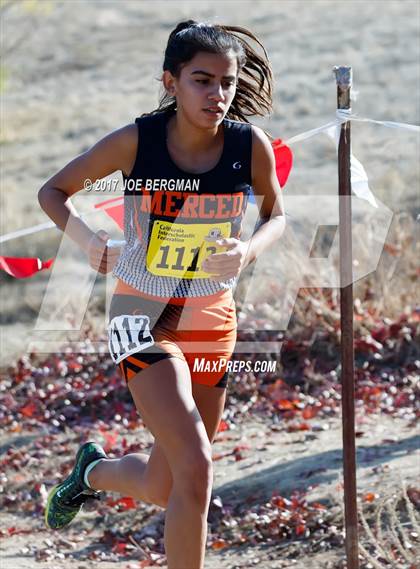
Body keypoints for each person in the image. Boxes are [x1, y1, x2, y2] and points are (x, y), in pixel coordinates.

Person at [40, 19, 285, 569]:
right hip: (142, 315)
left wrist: (248, 251)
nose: (217, 94)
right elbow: (53, 191)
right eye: (202, 80)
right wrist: (87, 239)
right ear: (171, 82)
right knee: (196, 468)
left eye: (226, 81)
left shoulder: (250, 146)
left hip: (213, 321)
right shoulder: (138, 141)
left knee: (164, 481)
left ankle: (92, 472)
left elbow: (278, 216)